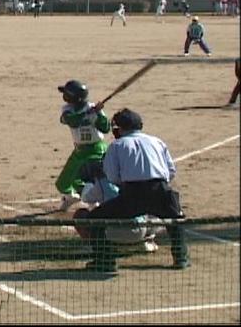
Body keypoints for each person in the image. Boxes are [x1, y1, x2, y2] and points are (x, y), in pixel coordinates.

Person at [84, 108, 190, 273]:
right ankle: (181, 258)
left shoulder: (117, 145)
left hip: (133, 193)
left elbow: (112, 176)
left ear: (119, 128)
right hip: (161, 190)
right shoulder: (157, 141)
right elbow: (171, 171)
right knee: (176, 221)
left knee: (95, 219)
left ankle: (105, 261)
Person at [73, 160, 160, 253]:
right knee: (152, 211)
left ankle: (95, 246)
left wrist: (88, 186)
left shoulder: (102, 184)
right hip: (143, 229)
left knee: (82, 215)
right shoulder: (128, 178)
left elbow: (86, 198)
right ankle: (145, 242)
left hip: (124, 230)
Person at [55, 80, 111, 211]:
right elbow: (71, 121)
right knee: (63, 183)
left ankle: (95, 205)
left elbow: (106, 128)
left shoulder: (93, 109)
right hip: (79, 151)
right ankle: (71, 197)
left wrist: (98, 115)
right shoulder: (68, 110)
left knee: (91, 181)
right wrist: (87, 113)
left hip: (96, 150)